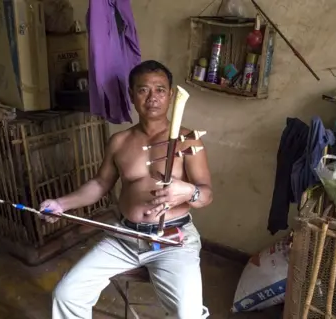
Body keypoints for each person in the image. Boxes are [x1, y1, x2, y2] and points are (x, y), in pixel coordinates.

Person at [40, 60, 213, 319]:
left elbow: (206, 193)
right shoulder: (119, 141)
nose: (152, 97)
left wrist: (189, 191)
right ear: (131, 95)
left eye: (160, 89)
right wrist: (62, 204)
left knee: (187, 314)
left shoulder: (188, 140)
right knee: (68, 293)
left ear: (170, 96)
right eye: (143, 90)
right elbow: (100, 184)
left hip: (173, 240)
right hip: (124, 237)